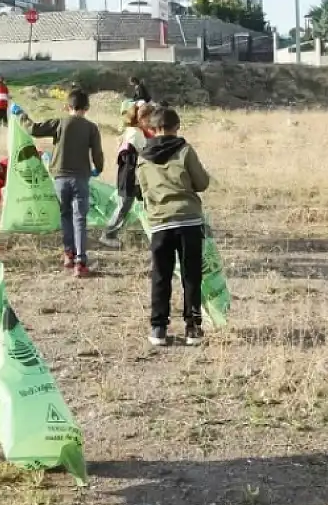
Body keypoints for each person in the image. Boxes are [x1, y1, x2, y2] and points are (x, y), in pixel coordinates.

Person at [136, 106, 212, 347]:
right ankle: (193, 328)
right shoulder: (185, 150)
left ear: (152, 129)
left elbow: (142, 190)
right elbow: (201, 183)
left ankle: (158, 328)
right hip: (188, 220)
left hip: (159, 223)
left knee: (161, 275)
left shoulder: (142, 156)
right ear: (176, 127)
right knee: (191, 275)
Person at [17, 90, 105, 277]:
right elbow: (97, 152)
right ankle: (81, 262)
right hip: (81, 177)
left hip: (60, 178)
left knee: (65, 216)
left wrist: (21, 115)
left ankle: (68, 254)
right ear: (87, 108)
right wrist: (98, 167)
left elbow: (34, 129)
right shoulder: (91, 128)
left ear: (67, 107)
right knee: (79, 218)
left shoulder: (59, 123)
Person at [97, 102, 147, 248]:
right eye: (148, 118)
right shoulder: (135, 134)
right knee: (123, 206)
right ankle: (108, 234)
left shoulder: (132, 132)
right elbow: (136, 156)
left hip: (130, 177)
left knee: (135, 205)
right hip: (130, 178)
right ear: (140, 119)